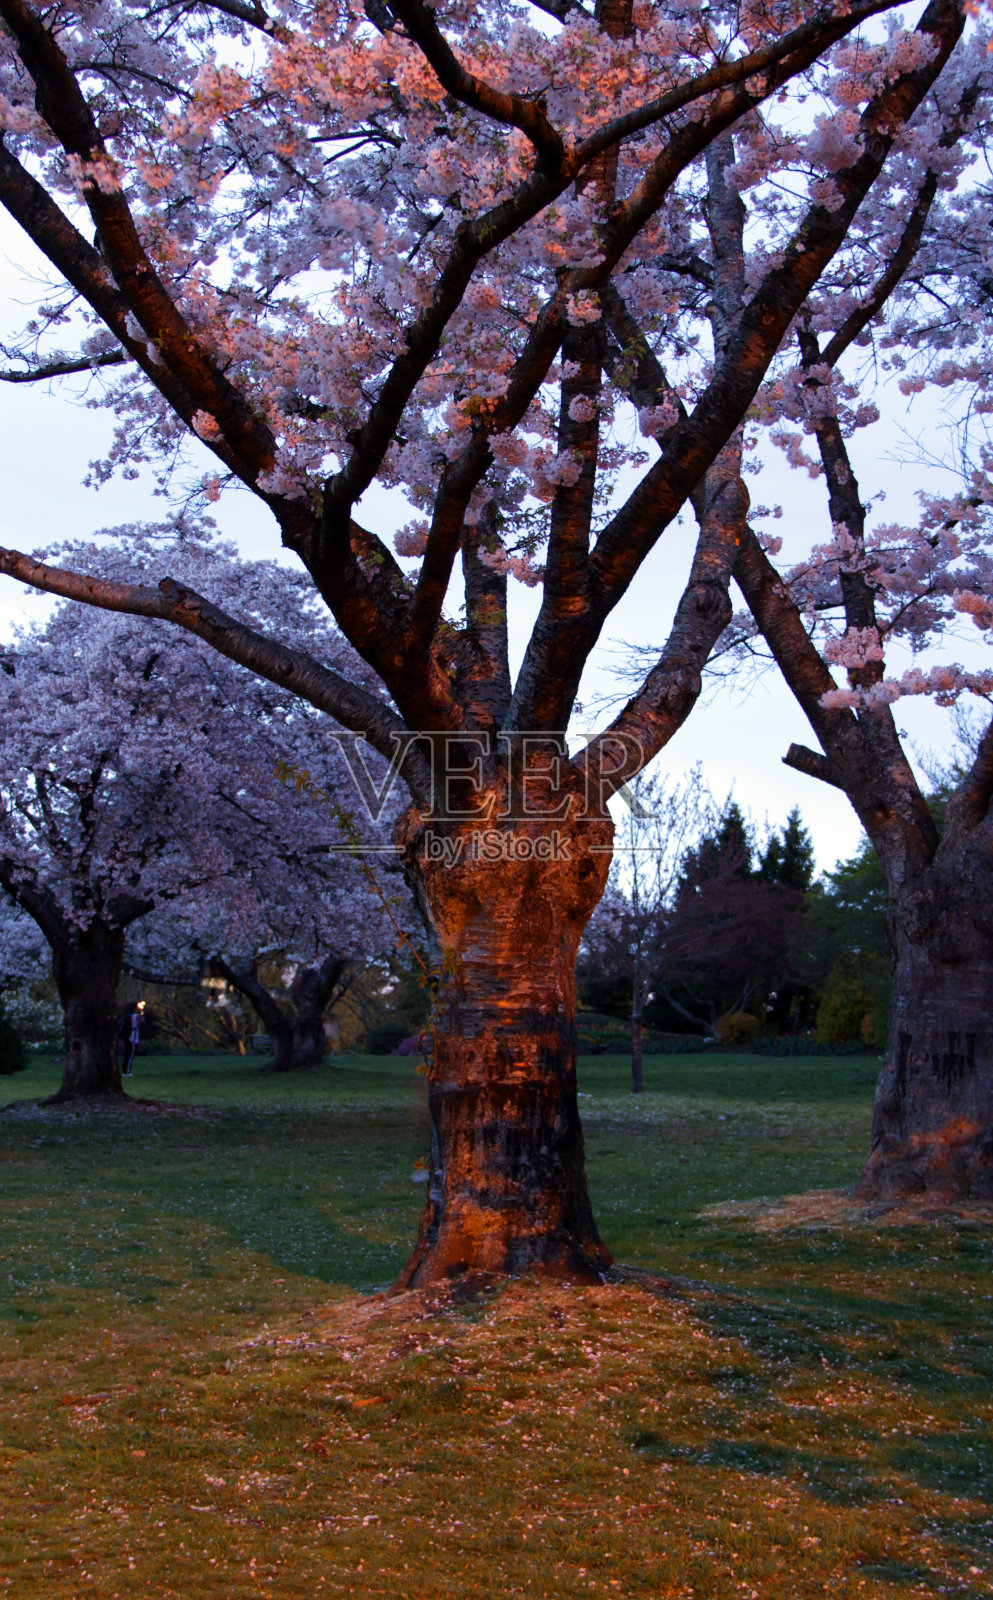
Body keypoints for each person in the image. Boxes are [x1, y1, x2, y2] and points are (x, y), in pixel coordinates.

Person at [122, 1003, 142, 1077]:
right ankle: (126, 1072)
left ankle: (126, 1071)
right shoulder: (135, 1016)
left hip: (127, 1037)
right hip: (132, 1038)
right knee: (130, 1055)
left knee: (128, 1054)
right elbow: (141, 1021)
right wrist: (141, 1012)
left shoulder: (127, 1016)